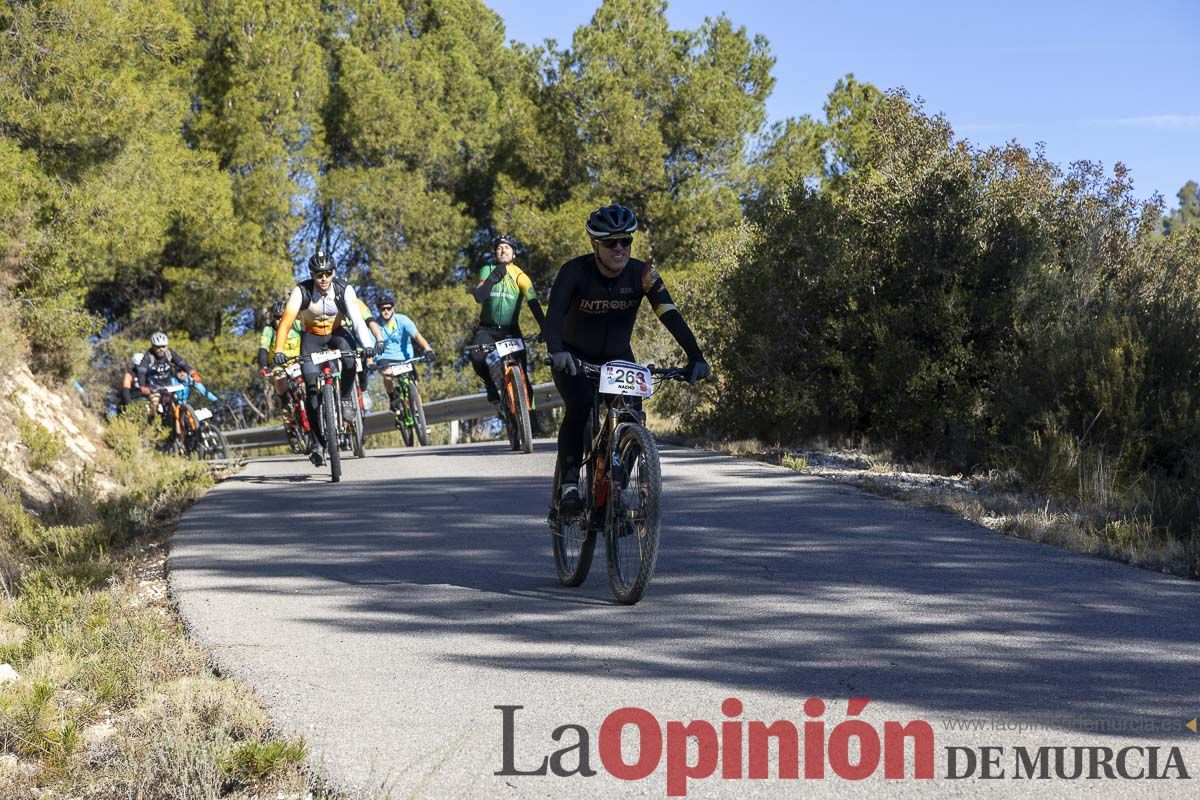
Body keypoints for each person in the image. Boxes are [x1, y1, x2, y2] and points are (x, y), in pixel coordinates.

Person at [543, 205, 710, 514]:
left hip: (617, 357)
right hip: (573, 356)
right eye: (610, 242)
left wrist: (696, 356)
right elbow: (554, 316)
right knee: (579, 407)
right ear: (595, 245)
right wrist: (556, 350)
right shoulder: (574, 271)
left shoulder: (644, 274)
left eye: (626, 241)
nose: (619, 248)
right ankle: (568, 486)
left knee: (632, 414)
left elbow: (670, 314)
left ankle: (614, 488)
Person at [273, 249, 380, 466]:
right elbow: (285, 322)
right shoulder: (301, 291)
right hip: (311, 337)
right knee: (311, 389)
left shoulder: (343, 289)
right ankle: (317, 444)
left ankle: (346, 396)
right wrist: (279, 350)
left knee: (351, 362)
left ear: (333, 273)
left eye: (327, 274)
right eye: (319, 274)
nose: (323, 279)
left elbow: (357, 320)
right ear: (312, 275)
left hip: (337, 333)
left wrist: (367, 346)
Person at [466, 235, 545, 404]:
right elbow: (479, 297)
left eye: (507, 248)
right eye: (499, 248)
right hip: (487, 328)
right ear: (496, 253)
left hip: (510, 330)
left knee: (523, 374)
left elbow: (534, 304)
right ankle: (489, 384)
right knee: (476, 357)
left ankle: (532, 422)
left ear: (514, 254)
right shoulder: (487, 270)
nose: (503, 250)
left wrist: (545, 328)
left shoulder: (521, 276)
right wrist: (494, 277)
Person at [373, 291, 435, 409]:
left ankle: (418, 415)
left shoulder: (403, 320)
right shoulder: (375, 325)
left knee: (414, 385)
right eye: (382, 309)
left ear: (393, 308)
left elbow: (417, 336)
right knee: (387, 375)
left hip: (405, 358)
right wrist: (370, 362)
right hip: (385, 357)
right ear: (379, 310)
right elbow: (370, 345)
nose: (386, 311)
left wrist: (428, 349)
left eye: (388, 308)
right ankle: (392, 397)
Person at [137, 331, 201, 442]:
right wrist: (143, 386)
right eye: (158, 347)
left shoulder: (169, 353)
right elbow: (141, 371)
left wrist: (192, 373)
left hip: (168, 385)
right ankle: (151, 425)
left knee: (175, 405)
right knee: (154, 402)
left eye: (164, 346)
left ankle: (179, 433)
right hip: (154, 387)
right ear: (153, 347)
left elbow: (181, 363)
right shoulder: (148, 357)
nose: (161, 349)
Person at [257, 300, 302, 415]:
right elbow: (263, 348)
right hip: (278, 364)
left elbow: (309, 338)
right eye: (277, 317)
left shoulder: (297, 325)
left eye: (282, 316)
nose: (280, 320)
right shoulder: (269, 330)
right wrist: (264, 366)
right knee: (280, 382)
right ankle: (286, 408)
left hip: (298, 360)